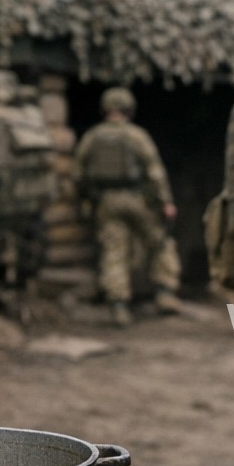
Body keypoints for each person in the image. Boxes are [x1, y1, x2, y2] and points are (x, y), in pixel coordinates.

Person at [74, 87, 181, 326]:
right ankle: (165, 293)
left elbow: (78, 174)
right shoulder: (137, 136)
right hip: (138, 199)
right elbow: (155, 171)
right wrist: (166, 202)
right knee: (160, 243)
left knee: (114, 251)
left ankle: (119, 306)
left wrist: (90, 198)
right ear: (129, 109)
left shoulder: (92, 137)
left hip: (106, 201)